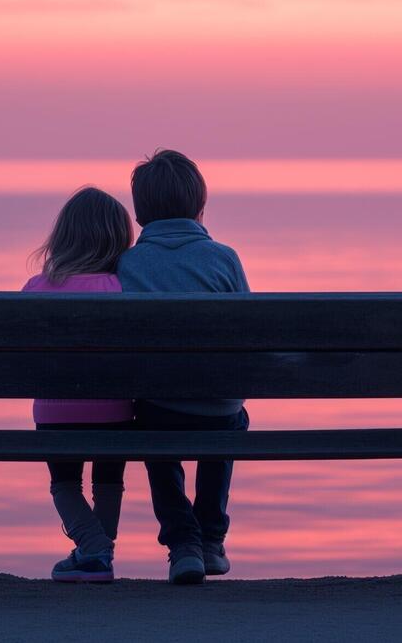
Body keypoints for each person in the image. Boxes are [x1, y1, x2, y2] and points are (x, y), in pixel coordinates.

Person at [116, 149, 250, 585]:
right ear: (200, 206)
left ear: (139, 215)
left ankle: (183, 543)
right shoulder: (224, 259)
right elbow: (255, 333)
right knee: (232, 418)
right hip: (219, 406)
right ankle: (211, 538)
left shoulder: (126, 264)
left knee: (153, 423)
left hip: (158, 405)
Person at [24, 186, 135, 583]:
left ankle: (93, 550)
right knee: (110, 478)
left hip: (56, 413)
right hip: (114, 412)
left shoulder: (36, 289)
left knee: (64, 481)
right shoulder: (124, 291)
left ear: (63, 237)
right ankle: (97, 552)